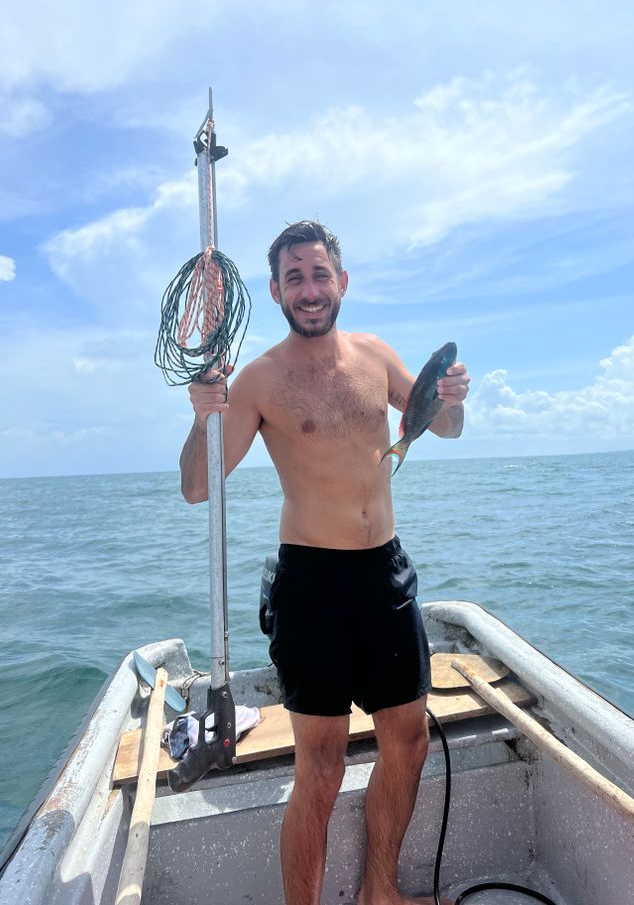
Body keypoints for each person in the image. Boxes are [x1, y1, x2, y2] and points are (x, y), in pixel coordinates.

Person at [180, 221, 469, 905]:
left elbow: (444, 428)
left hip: (386, 576)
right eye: (294, 278)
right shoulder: (257, 381)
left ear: (342, 282)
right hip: (310, 584)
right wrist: (202, 417)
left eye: (319, 275)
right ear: (277, 290)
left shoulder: (376, 356)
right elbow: (197, 487)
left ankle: (380, 892)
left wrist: (453, 402)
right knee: (323, 765)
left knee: (407, 740)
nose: (309, 290)